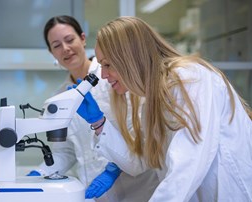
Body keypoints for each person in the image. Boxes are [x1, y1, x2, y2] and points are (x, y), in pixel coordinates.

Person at [74, 16, 252, 201]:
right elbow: (140, 161)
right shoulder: (152, 100)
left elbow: (187, 164)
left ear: (130, 57)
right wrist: (98, 123)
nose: (103, 75)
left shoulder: (189, 79)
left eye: (108, 64)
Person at [27, 15, 159, 201]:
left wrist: (113, 170)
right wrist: (38, 174)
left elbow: (139, 134)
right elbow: (65, 151)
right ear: (52, 53)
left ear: (82, 38)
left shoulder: (115, 78)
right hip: (92, 192)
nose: (65, 48)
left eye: (69, 40)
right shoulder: (59, 99)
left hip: (136, 190)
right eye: (56, 45)